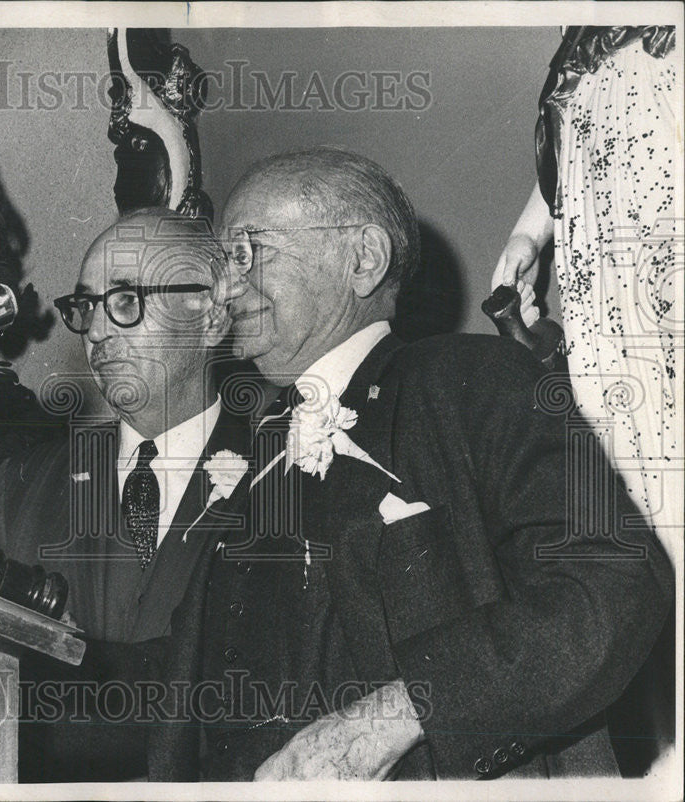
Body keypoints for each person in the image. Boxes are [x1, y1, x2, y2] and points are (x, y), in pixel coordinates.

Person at [142, 147, 673, 781]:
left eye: (249, 252)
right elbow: (175, 677)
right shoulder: (252, 461)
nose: (225, 288)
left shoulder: (473, 381)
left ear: (362, 260)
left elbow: (611, 588)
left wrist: (391, 719)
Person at [0, 208, 252, 780]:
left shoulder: (282, 475)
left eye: (125, 300)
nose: (97, 331)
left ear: (211, 317)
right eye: (86, 307)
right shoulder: (24, 484)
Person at [492, 26, 679, 562]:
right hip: (601, 285)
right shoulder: (583, 41)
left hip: (665, 257)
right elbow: (573, 142)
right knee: (627, 458)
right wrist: (526, 234)